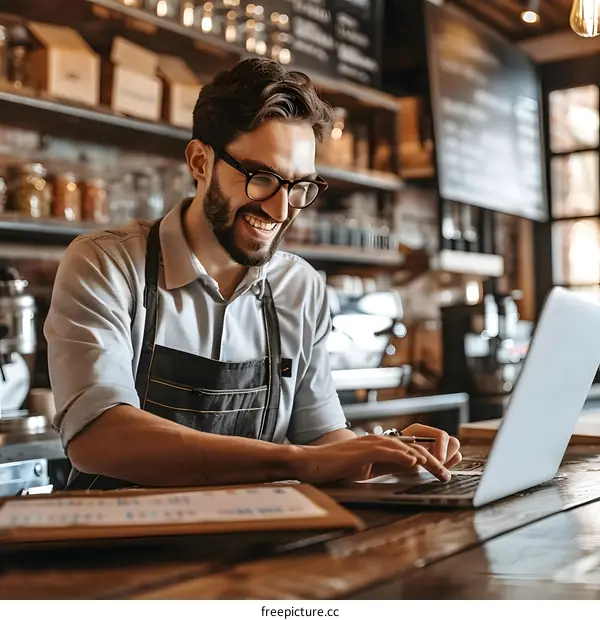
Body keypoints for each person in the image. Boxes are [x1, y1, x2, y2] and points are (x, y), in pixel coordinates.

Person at [44, 58, 462, 491]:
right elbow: (99, 438)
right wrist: (300, 462)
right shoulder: (107, 264)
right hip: (124, 546)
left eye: (300, 186)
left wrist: (384, 453)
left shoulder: (300, 287)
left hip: (259, 545)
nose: (281, 211)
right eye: (262, 178)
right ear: (200, 162)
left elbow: (321, 437)